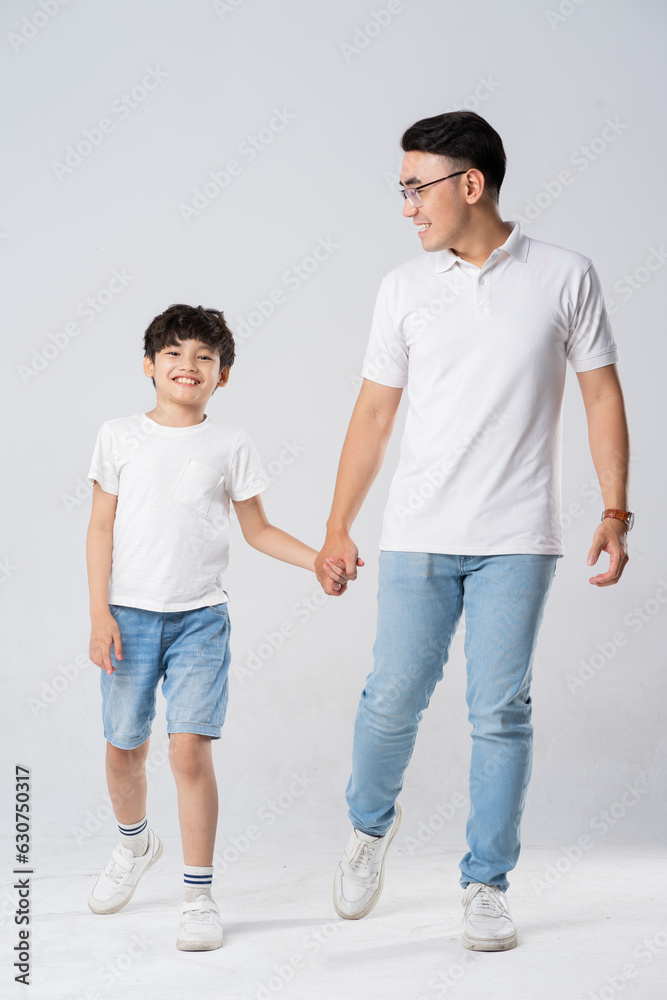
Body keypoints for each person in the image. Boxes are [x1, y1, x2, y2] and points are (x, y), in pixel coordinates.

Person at [315, 111, 631, 951]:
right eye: (402, 190)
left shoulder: (566, 275)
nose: (407, 207)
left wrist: (613, 509)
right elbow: (374, 413)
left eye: (417, 188)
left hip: (519, 538)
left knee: (500, 712)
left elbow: (600, 393)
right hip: (416, 532)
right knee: (391, 700)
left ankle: (485, 884)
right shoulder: (402, 288)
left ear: (469, 184)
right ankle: (368, 828)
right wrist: (337, 526)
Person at [85, 304, 346, 951]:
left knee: (187, 750)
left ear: (221, 376)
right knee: (123, 749)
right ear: (149, 365)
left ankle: (197, 895)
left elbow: (256, 530)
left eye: (204, 357)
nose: (188, 365)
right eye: (174, 353)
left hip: (201, 619)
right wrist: (98, 613)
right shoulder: (118, 436)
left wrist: (316, 557)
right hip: (128, 616)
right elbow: (99, 527)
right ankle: (133, 845)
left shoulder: (230, 445)